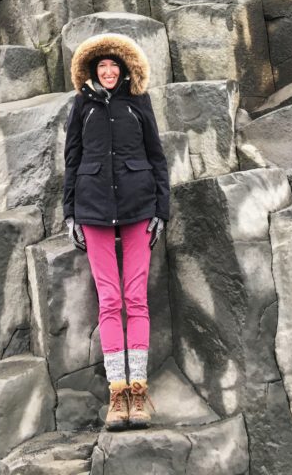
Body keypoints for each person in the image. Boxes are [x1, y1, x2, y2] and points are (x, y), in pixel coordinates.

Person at [62, 32, 170, 431]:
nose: (108, 71)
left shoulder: (138, 103)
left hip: (139, 209)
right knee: (109, 300)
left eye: (114, 65)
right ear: (92, 71)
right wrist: (70, 212)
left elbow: (156, 156)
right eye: (101, 66)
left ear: (124, 70)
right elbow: (72, 160)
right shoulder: (82, 107)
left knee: (135, 298)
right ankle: (117, 393)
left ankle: (139, 393)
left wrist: (162, 209)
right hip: (92, 212)